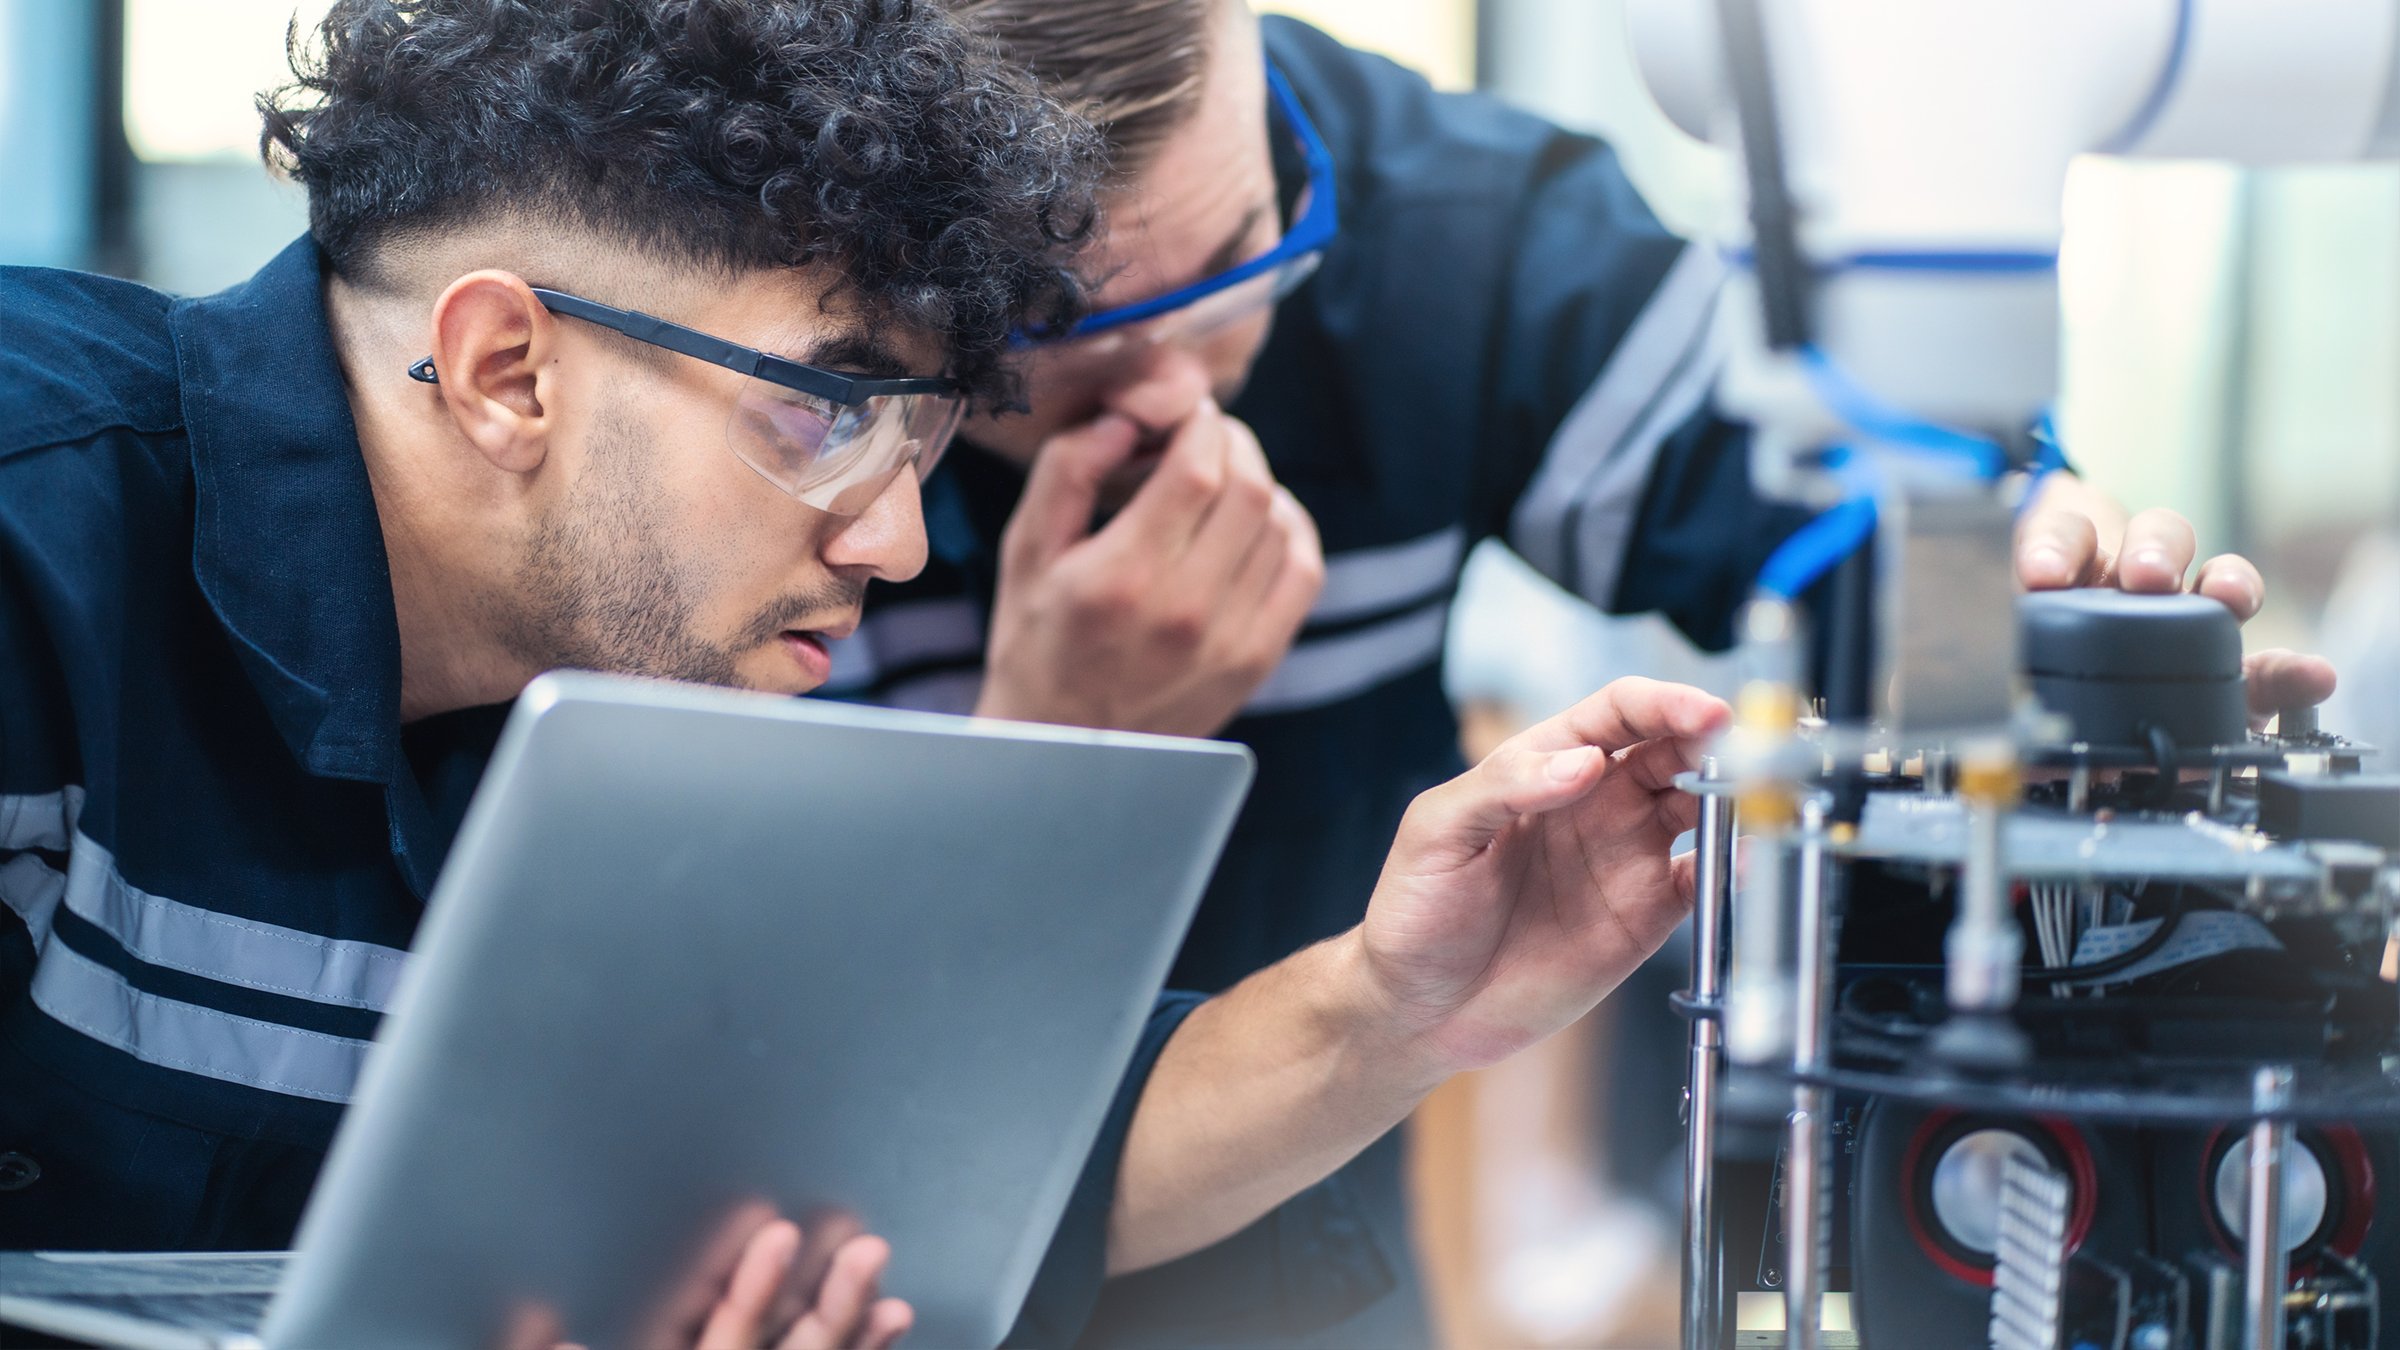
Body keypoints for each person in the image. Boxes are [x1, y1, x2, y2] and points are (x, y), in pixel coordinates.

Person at [0, 2, 1739, 1346]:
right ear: (506, 368)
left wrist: (1406, 1004)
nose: (900, 543)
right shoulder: (34, 547)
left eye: (924, 430)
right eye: (827, 407)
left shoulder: (626, 745)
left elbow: (958, 1149)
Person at [804, 1, 2342, 1343]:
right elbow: (750, 1052)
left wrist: (2053, 624)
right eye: (1062, 330)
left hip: (1301, 1280)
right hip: (842, 1261)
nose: (1186, 378)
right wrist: (1057, 766)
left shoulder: (1458, 234)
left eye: (1242, 253)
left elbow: (1861, 532)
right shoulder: (763, 346)